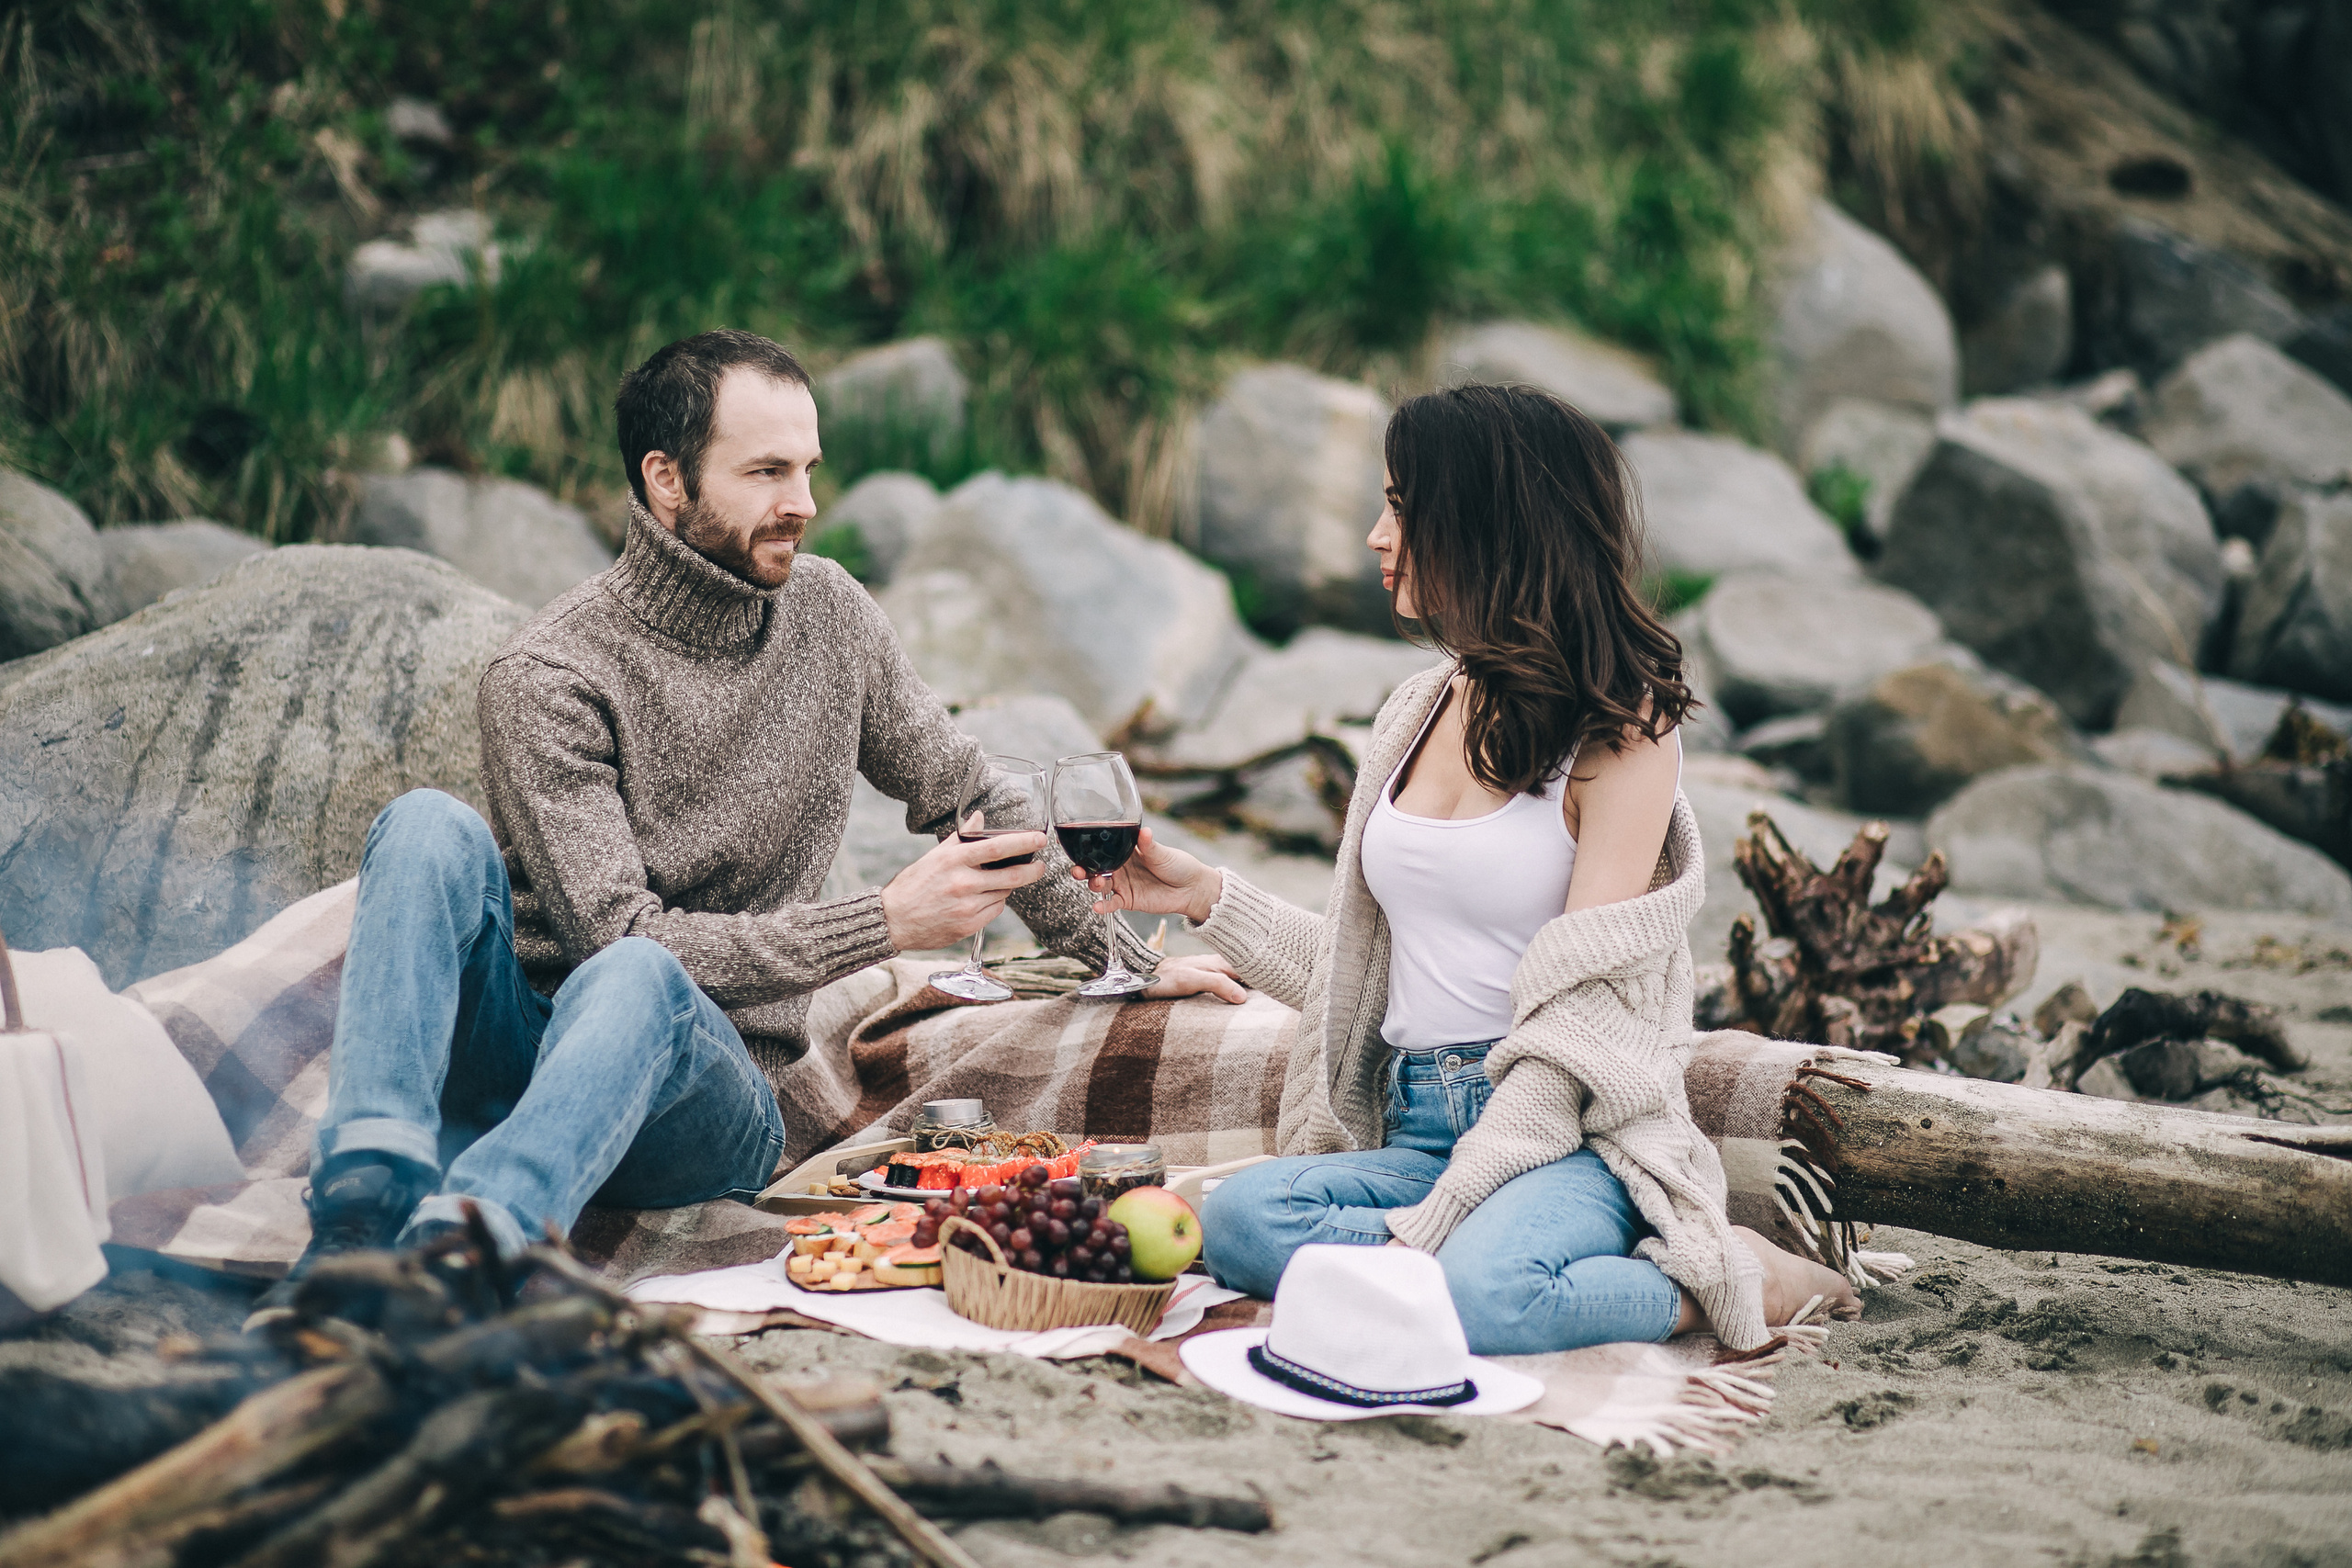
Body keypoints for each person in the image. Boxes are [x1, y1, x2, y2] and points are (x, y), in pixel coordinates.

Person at [255, 329, 1239, 1314]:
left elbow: (980, 796)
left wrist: (1123, 959)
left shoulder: (830, 618)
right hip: (519, 1053)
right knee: (428, 826)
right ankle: (359, 1208)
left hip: (707, 1102)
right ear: (666, 480)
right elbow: (617, 935)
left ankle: (468, 1251)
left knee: (641, 981)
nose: (803, 503)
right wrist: (882, 925)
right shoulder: (551, 675)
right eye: (766, 471)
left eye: (808, 469)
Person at [1075, 384, 1860, 1355]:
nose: (1374, 534)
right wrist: (1206, 897)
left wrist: (1465, 1193)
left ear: (1487, 520)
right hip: (1413, 1130)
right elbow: (1369, 972)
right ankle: (1434, 1266)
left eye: (1401, 506)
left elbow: (1584, 1017)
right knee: (1239, 1224)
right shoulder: (1416, 710)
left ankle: (1730, 1280)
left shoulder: (1620, 736)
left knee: (1487, 1299)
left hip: (1563, 1133)